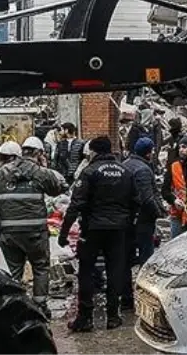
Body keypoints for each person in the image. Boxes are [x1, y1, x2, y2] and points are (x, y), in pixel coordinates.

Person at [61, 136, 137, 332]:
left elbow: (76, 204)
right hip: (118, 231)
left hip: (92, 229)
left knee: (86, 270)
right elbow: (136, 201)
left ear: (94, 151)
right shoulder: (126, 172)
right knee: (115, 271)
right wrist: (128, 223)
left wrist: (64, 232)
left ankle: (85, 317)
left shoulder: (89, 172)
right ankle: (113, 316)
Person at [0, 136, 66, 312]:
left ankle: (12, 306)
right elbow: (58, 188)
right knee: (41, 267)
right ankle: (40, 305)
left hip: (9, 232)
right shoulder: (40, 172)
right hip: (35, 232)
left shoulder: (1, 173)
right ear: (39, 153)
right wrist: (46, 167)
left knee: (12, 270)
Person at [122, 137, 166, 304]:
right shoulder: (143, 170)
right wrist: (158, 213)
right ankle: (145, 296)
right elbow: (147, 198)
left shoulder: (125, 164)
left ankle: (126, 297)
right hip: (143, 221)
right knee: (146, 258)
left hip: (127, 220)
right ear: (148, 152)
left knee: (126, 259)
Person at [164, 137, 187, 237]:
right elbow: (165, 191)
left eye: (184, 147)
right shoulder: (173, 166)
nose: (181, 150)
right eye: (179, 147)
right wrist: (174, 200)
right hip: (177, 215)